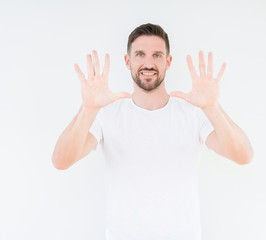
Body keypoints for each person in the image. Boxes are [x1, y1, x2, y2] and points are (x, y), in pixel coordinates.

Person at [52, 23, 253, 240]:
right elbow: (61, 160)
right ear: (128, 61)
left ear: (168, 62)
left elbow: (243, 155)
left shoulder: (193, 112)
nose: (149, 63)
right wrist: (89, 108)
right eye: (140, 54)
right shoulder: (106, 113)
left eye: (157, 55)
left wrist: (212, 107)